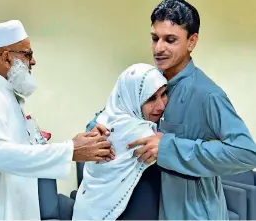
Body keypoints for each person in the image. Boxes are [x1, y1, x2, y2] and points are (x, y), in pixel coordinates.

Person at [87, 0, 256, 219]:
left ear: (192, 41)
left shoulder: (206, 94)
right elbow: (113, 113)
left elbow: (245, 153)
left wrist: (168, 147)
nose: (159, 48)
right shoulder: (143, 81)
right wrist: (95, 129)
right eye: (155, 38)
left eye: (170, 40)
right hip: (139, 207)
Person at [0, 20, 114, 220]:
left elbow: (20, 151)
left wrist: (76, 144)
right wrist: (70, 150)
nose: (33, 61)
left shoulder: (4, 93)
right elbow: (1, 154)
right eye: (27, 54)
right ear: (5, 57)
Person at [72, 63, 167, 220]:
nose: (161, 105)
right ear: (132, 98)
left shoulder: (108, 117)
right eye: (151, 98)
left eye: (164, 94)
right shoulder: (141, 133)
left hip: (90, 208)